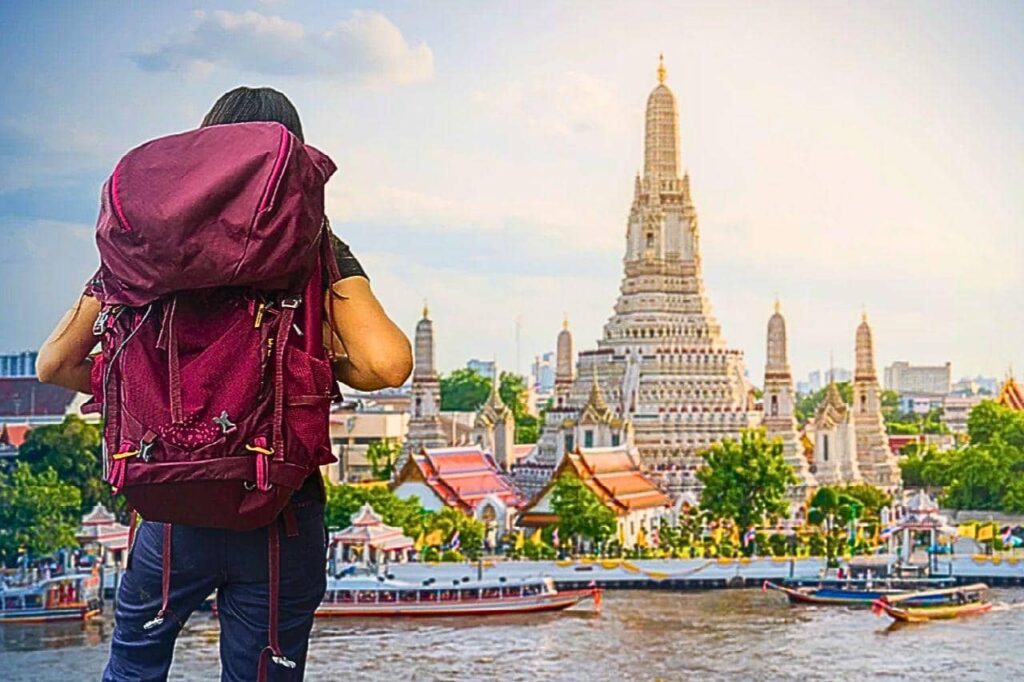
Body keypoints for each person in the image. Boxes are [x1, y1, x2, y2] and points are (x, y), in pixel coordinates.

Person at [37, 86, 413, 681]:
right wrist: (306, 364)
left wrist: (138, 390)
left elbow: (54, 365)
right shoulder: (313, 244)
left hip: (169, 502)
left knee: (134, 667)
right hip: (278, 507)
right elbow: (386, 365)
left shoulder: (147, 248)